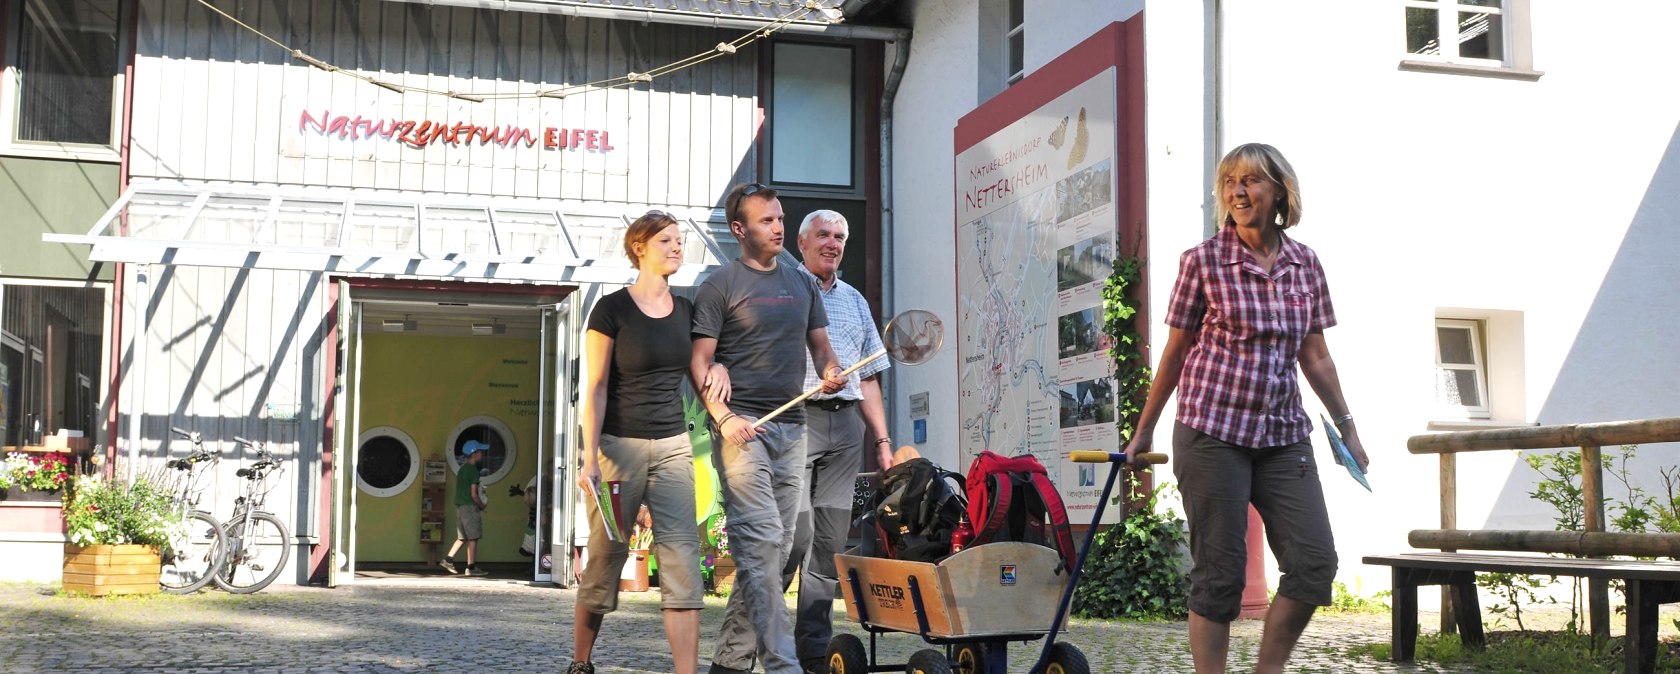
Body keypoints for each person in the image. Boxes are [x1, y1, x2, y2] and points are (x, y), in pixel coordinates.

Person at [1121, 143, 1369, 674]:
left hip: (1283, 434)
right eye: (1230, 181)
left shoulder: (1305, 264)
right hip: (1212, 431)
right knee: (1220, 574)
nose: (1239, 190)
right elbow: (1174, 352)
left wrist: (1348, 427)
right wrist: (1144, 431)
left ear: (1279, 190)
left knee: (1314, 564)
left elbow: (1316, 355)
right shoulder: (1203, 261)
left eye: (1252, 180)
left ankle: (1267, 671)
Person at [690, 183, 846, 674]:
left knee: (773, 553)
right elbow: (700, 362)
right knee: (761, 545)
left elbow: (821, 349)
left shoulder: (801, 284)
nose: (778, 227)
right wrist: (725, 418)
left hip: (792, 427)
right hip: (742, 432)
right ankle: (784, 664)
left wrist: (829, 371)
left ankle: (730, 664)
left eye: (780, 219)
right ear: (740, 230)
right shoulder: (720, 286)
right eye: (766, 221)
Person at [571, 210, 720, 674]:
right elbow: (594, 386)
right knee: (607, 555)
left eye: (679, 241)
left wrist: (720, 382)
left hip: (674, 445)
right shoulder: (611, 309)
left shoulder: (687, 310)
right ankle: (581, 661)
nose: (678, 247)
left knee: (682, 558)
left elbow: (701, 371)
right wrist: (589, 458)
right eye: (666, 241)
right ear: (639, 248)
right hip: (618, 448)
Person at [778, 210, 894, 673]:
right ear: (802, 243)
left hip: (846, 430)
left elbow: (867, 380)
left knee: (828, 543)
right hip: (796, 423)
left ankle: (813, 651)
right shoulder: (784, 292)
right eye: (823, 235)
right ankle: (764, 638)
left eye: (840, 236)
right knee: (793, 536)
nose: (832, 243)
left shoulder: (855, 301)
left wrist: (882, 441)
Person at [442, 440, 491, 577]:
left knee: (462, 537)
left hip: (460, 506)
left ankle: (448, 560)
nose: (482, 454)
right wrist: (482, 505)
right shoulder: (473, 471)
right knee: (473, 537)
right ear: (474, 453)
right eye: (480, 451)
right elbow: (474, 494)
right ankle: (471, 567)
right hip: (470, 507)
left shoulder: (463, 469)